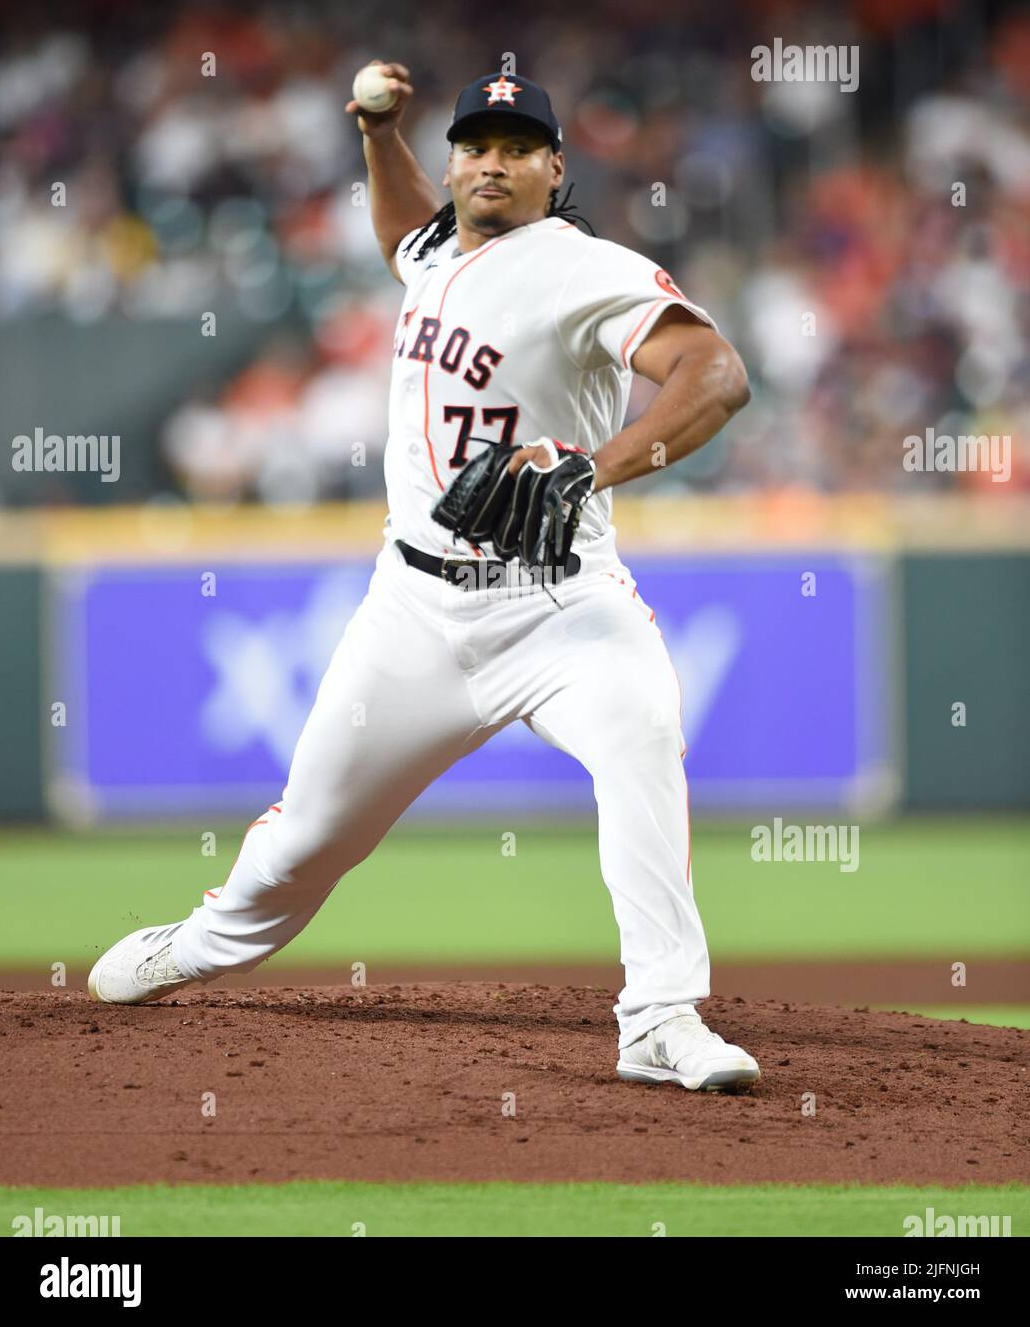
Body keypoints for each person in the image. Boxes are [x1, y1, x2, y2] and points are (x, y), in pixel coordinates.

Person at [89, 65, 759, 1093]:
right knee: (304, 839)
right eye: (473, 144)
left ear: (553, 169)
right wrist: (376, 131)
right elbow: (404, 230)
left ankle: (660, 1016)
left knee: (641, 735)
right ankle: (205, 942)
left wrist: (591, 463)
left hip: (557, 598)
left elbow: (715, 376)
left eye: (516, 145)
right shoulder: (441, 243)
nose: (490, 160)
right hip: (413, 606)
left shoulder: (581, 269)